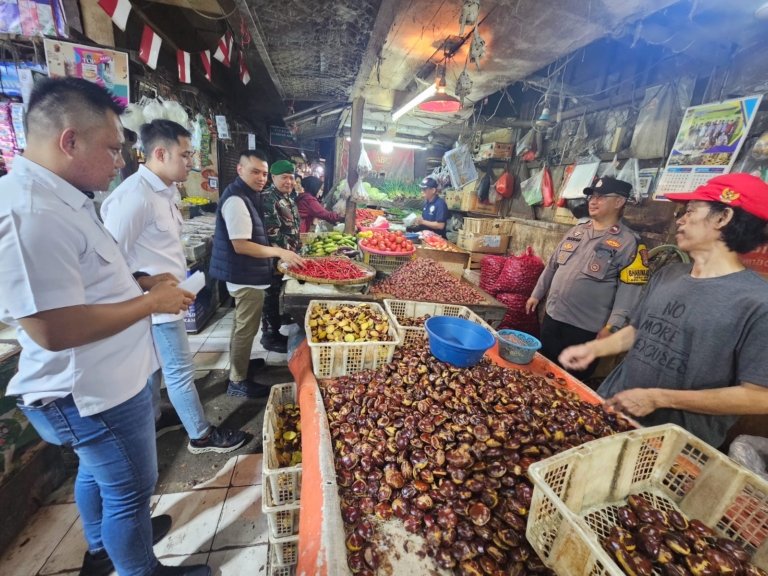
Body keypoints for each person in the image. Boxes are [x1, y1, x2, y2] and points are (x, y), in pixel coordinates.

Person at [0, 77, 208, 575]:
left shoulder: (66, 197)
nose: (120, 161)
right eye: (113, 149)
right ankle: (138, 566)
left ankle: (103, 544)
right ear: (69, 140)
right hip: (91, 393)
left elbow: (89, 277)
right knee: (130, 492)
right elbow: (53, 328)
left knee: (101, 477)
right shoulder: (29, 211)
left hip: (111, 378)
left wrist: (139, 281)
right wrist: (150, 302)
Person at [560, 173, 768, 448]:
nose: (679, 219)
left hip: (671, 443)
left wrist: (659, 398)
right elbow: (637, 330)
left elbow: (758, 397)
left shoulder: (757, 302)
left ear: (723, 218)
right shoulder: (669, 274)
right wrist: (594, 350)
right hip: (613, 409)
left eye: (690, 211)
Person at [101, 120, 246, 454]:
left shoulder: (164, 191)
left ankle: (153, 419)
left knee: (154, 367)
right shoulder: (134, 197)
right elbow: (110, 260)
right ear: (160, 153)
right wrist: (146, 287)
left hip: (170, 298)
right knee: (180, 370)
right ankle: (201, 435)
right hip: (155, 306)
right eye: (185, 154)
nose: (191, 161)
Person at [526, 176, 647, 381]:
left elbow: (630, 293)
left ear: (619, 202)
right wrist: (536, 294)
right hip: (552, 318)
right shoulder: (577, 231)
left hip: (584, 330)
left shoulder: (629, 243)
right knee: (538, 371)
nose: (592, 201)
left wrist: (612, 327)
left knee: (568, 383)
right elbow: (552, 266)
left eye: (601, 197)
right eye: (592, 196)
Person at [210, 151, 305, 396]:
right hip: (245, 276)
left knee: (242, 327)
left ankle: (239, 367)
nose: (261, 177)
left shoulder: (249, 195)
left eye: (264, 173)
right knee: (246, 329)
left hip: (246, 273)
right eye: (255, 172)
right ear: (240, 170)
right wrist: (278, 252)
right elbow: (240, 244)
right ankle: (238, 382)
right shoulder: (237, 200)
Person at [262, 159, 302, 344]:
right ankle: (270, 334)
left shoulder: (288, 197)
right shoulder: (269, 198)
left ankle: (280, 320)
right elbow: (273, 232)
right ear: (273, 177)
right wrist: (285, 253)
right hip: (276, 256)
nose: (289, 181)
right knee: (271, 293)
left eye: (291, 177)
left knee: (280, 291)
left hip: (288, 255)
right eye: (284, 177)